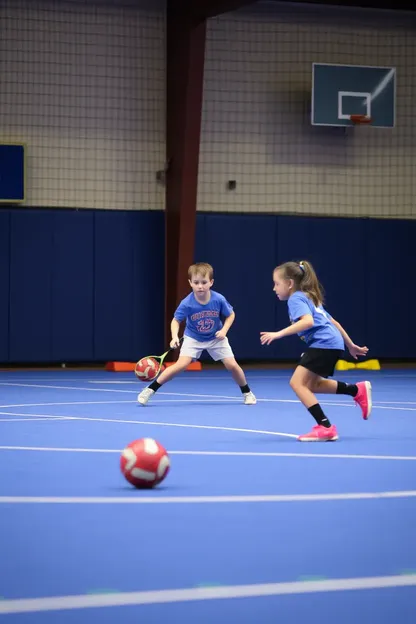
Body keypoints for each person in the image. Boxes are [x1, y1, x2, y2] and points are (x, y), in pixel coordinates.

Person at [260, 260, 371, 442]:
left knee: (297, 383)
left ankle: (325, 427)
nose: (274, 288)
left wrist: (278, 334)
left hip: (324, 343)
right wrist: (350, 345)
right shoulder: (309, 296)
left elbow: (308, 322)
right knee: (311, 384)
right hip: (332, 343)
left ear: (289, 284)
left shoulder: (296, 298)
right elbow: (334, 322)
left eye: (276, 284)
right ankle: (356, 390)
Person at [137, 262, 256, 406]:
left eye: (204, 282)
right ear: (190, 283)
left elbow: (231, 315)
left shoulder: (218, 299)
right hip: (193, 337)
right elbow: (176, 320)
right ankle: (150, 389)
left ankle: (247, 393)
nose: (200, 286)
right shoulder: (187, 303)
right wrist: (174, 336)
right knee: (181, 365)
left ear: (211, 282)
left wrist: (224, 330)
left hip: (216, 337)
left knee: (232, 365)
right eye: (196, 282)